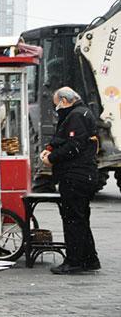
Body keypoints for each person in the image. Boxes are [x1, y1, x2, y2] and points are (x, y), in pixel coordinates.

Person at [40, 87, 101, 274]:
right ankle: (90, 259)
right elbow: (63, 139)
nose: (56, 107)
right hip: (83, 175)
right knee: (81, 218)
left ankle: (74, 261)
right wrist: (50, 148)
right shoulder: (81, 113)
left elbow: (73, 145)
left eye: (56, 103)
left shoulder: (76, 116)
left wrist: (52, 158)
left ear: (65, 101)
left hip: (75, 175)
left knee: (73, 219)